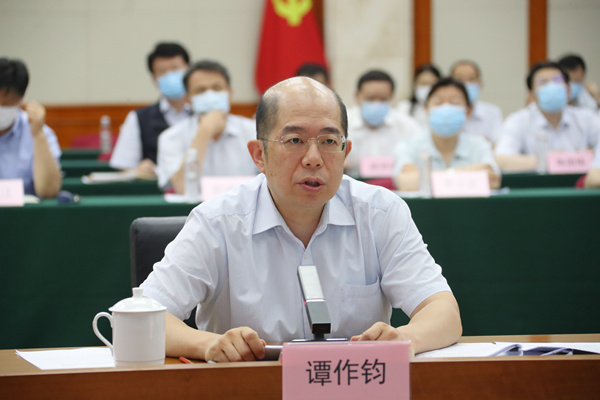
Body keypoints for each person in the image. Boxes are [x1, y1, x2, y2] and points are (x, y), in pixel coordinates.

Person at [140, 76, 462, 362]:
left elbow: (443, 311)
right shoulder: (217, 223)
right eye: (294, 140)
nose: (313, 159)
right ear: (259, 155)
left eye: (329, 142)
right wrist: (208, 344)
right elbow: (145, 318)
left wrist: (406, 338)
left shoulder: (380, 212)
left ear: (346, 152)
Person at [156, 60, 259, 193]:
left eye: (217, 88)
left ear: (229, 93)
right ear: (188, 99)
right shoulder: (171, 138)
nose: (210, 95)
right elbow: (183, 188)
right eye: (201, 90)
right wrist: (205, 130)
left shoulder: (254, 131)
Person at [394, 78, 501, 191]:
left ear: (468, 111)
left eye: (454, 102)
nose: (446, 108)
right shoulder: (408, 146)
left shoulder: (479, 145)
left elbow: (492, 180)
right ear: (426, 109)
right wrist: (472, 172)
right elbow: (406, 183)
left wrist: (425, 178)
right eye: (438, 102)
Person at [495, 61, 600, 172]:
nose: (552, 86)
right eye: (543, 82)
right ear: (531, 95)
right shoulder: (518, 121)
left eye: (557, 80)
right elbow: (501, 160)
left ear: (568, 90)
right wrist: (549, 160)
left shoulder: (587, 118)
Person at [109, 42, 192, 178]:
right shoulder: (139, 118)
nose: (170, 75)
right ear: (154, 78)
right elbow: (124, 168)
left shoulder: (204, 114)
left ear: (189, 70)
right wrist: (137, 171)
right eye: (162, 71)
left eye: (175, 68)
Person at [345, 69, 425, 177]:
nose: (376, 104)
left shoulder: (406, 125)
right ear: (357, 96)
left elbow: (423, 157)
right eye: (370, 98)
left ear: (392, 97)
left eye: (383, 99)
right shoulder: (342, 123)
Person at [0, 58, 61, 197]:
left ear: (21, 100)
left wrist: (38, 135)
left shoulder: (40, 132)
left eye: (7, 104)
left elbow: (49, 190)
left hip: (24, 210)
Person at [450, 60, 503, 144]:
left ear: (480, 84)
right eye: (459, 79)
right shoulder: (442, 113)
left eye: (471, 79)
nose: (466, 84)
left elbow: (498, 145)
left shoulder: (492, 112)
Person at [397, 64, 441, 128]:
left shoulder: (443, 109)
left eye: (431, 84)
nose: (427, 88)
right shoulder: (404, 107)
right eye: (423, 84)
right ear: (415, 84)